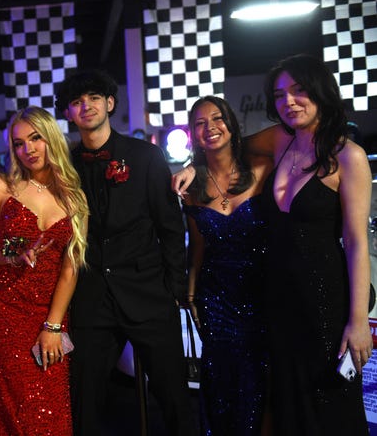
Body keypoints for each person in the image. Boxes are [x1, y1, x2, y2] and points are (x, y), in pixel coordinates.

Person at [173, 54, 372, 435]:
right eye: (280, 95)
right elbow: (223, 143)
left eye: (299, 91)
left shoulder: (348, 156)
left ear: (321, 92)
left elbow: (357, 243)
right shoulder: (281, 141)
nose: (289, 102)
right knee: (286, 403)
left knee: (328, 404)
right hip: (277, 301)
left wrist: (358, 320)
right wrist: (192, 166)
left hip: (323, 302)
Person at [54, 69, 195, 436]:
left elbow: (170, 227)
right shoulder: (64, 166)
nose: (86, 106)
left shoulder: (145, 156)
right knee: (84, 399)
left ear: (110, 103)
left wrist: (173, 289)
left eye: (94, 98)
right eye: (76, 102)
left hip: (148, 292)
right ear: (69, 113)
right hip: (91, 298)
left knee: (173, 395)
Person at [0, 106, 88, 435]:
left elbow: (70, 268)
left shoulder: (75, 198)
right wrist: (11, 256)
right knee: (16, 405)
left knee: (50, 402)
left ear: (51, 139)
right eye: (18, 144)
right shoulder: (2, 186)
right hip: (4, 308)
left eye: (35, 139)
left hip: (49, 311)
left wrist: (53, 325)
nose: (28, 149)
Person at [182, 96, 271, 435]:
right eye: (200, 124)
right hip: (215, 299)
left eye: (218, 119)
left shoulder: (263, 169)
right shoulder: (190, 188)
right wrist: (191, 296)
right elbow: (198, 247)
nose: (210, 128)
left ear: (232, 125)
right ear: (193, 134)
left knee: (260, 380)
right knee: (221, 384)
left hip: (262, 294)